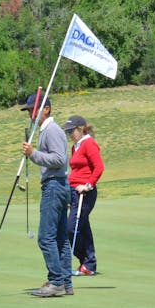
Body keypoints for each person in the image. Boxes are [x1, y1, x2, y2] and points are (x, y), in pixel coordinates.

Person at [21, 93, 72, 297]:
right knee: (60, 238)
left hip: (54, 186)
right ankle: (65, 282)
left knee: (46, 237)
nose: (31, 115)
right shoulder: (47, 130)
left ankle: (56, 282)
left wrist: (33, 154)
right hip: (58, 186)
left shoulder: (51, 130)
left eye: (33, 110)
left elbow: (59, 159)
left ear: (47, 109)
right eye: (29, 111)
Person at [63, 115, 103, 277]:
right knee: (83, 228)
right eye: (67, 132)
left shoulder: (89, 144)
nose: (69, 134)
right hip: (73, 192)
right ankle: (89, 264)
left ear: (80, 129)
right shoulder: (76, 146)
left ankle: (84, 260)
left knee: (71, 228)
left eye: (71, 131)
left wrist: (88, 185)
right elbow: (75, 171)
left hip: (85, 193)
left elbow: (99, 167)